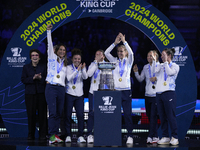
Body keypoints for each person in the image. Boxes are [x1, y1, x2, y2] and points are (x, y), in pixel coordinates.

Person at [104, 32, 134, 144]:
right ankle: (114, 134)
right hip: (115, 91)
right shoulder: (114, 61)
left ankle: (130, 135)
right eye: (119, 51)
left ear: (125, 52)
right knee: (114, 114)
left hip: (126, 91)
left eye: (122, 51)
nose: (120, 53)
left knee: (127, 114)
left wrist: (125, 42)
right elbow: (106, 53)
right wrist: (115, 43)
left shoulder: (129, 62)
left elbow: (131, 53)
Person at [151, 48, 180, 146]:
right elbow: (154, 70)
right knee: (162, 117)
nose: (161, 56)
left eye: (163, 55)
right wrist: (155, 61)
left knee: (170, 116)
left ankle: (175, 137)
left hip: (169, 93)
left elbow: (170, 73)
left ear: (169, 55)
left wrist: (166, 63)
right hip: (159, 94)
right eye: (161, 55)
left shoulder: (175, 66)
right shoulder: (160, 65)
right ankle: (165, 136)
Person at [45, 24, 68, 144]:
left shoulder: (65, 64)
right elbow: (49, 45)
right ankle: (51, 136)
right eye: (60, 50)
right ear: (56, 50)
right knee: (53, 112)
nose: (62, 51)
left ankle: (55, 135)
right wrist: (49, 31)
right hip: (51, 87)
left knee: (59, 113)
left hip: (61, 89)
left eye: (64, 50)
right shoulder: (52, 58)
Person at [133, 50, 160, 144]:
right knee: (150, 116)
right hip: (147, 95)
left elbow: (164, 78)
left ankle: (150, 136)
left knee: (153, 116)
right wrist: (136, 72)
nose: (149, 57)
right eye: (148, 56)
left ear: (156, 57)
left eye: (151, 56)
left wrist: (157, 78)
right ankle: (155, 135)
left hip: (156, 95)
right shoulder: (145, 67)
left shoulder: (160, 66)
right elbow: (140, 79)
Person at [21, 49, 47, 140]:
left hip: (41, 94)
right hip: (30, 94)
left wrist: (40, 78)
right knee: (31, 115)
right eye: (33, 55)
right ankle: (30, 135)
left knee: (42, 115)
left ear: (39, 57)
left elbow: (47, 80)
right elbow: (23, 80)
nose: (35, 57)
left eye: (36, 55)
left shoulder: (43, 67)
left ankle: (43, 135)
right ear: (30, 57)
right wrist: (33, 78)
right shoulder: (26, 67)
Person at [65, 48, 88, 143]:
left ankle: (81, 136)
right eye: (75, 59)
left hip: (79, 95)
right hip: (69, 94)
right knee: (67, 115)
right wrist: (77, 70)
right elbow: (69, 78)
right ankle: (67, 135)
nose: (77, 60)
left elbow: (85, 77)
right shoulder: (68, 68)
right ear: (72, 59)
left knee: (80, 115)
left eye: (79, 59)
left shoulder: (82, 67)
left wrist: (82, 70)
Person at [86, 49, 105, 144]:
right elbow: (89, 74)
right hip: (92, 92)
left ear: (103, 56)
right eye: (96, 54)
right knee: (91, 114)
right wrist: (95, 63)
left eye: (99, 54)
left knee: (102, 114)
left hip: (102, 93)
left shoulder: (107, 65)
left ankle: (101, 133)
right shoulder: (92, 64)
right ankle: (89, 134)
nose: (97, 55)